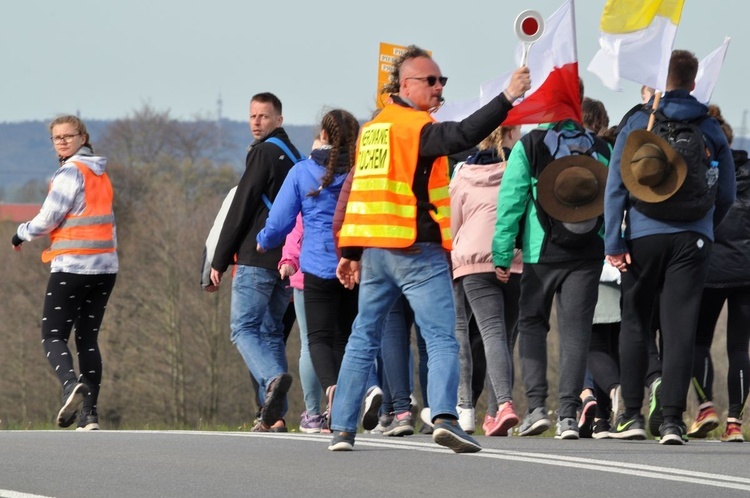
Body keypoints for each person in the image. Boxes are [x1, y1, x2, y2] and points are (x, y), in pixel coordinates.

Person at [328, 44, 531, 453]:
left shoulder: (374, 130)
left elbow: (359, 194)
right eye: (431, 81)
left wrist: (349, 252)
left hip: (376, 253)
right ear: (406, 84)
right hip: (415, 250)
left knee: (362, 337)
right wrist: (507, 97)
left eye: (443, 81)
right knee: (441, 338)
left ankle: (342, 430)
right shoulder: (413, 127)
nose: (439, 88)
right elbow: (462, 135)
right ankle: (445, 417)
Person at [604, 50, 736, 445]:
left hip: (643, 234)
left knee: (635, 321)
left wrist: (614, 239)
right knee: (679, 329)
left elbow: (616, 184)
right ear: (694, 82)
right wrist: (705, 227)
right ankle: (673, 422)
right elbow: (726, 191)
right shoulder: (709, 125)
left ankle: (631, 415)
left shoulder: (639, 121)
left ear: (660, 78)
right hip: (692, 237)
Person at [493, 81, 612, 441]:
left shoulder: (530, 145)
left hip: (541, 251)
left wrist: (501, 252)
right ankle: (569, 418)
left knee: (532, 325)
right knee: (576, 334)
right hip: (588, 250)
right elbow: (613, 198)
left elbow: (511, 200)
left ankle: (536, 409)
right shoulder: (600, 147)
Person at [256, 109, 361, 432]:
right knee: (346, 337)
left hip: (316, 266)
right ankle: (342, 408)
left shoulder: (303, 172)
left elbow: (280, 220)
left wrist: (265, 240)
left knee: (317, 338)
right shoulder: (362, 172)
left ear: (324, 136)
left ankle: (330, 390)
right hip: (354, 264)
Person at [12, 115, 118, 431]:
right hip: (106, 267)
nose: (61, 142)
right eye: (56, 138)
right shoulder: (100, 172)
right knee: (87, 339)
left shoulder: (70, 172)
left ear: (82, 138)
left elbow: (48, 218)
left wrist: (21, 233)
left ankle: (70, 384)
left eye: (68, 136)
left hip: (73, 266)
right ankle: (89, 416)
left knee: (52, 334)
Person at [210, 92, 302, 432]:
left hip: (256, 255)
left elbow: (242, 205)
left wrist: (219, 258)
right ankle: (274, 416)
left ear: (279, 119)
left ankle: (272, 379)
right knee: (270, 332)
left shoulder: (263, 152)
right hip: (286, 261)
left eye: (264, 116)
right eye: (252, 116)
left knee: (243, 329)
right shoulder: (295, 157)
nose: (256, 122)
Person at [450, 125, 523, 437]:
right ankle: (495, 413)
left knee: (476, 336)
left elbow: (453, 222)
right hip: (514, 260)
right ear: (510, 134)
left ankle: (486, 407)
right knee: (503, 339)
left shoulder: (464, 174)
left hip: (471, 262)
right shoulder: (517, 169)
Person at [688, 106, 749, 442]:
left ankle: (706, 407)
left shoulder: (704, 174)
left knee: (699, 342)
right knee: (740, 347)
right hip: (746, 272)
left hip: (709, 268)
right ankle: (736, 422)